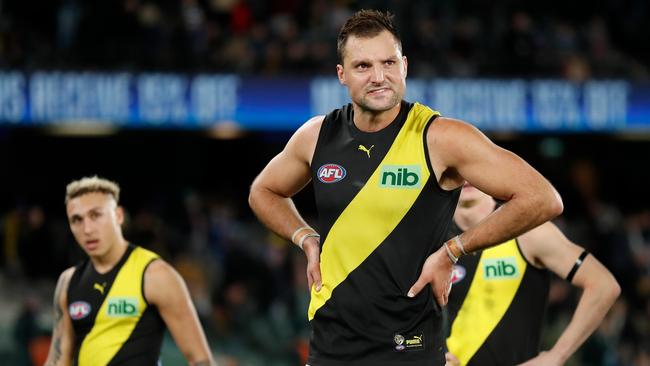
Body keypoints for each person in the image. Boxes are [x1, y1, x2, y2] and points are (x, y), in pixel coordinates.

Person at [248, 9, 563, 366]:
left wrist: (454, 250)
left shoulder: (441, 138)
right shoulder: (316, 136)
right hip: (330, 350)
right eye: (363, 66)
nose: (379, 77)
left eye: (389, 62)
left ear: (405, 67)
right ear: (341, 74)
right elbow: (263, 191)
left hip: (410, 352)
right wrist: (305, 238)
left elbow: (542, 198)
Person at [44, 176, 215, 366]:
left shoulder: (156, 275)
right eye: (77, 220)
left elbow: (200, 359)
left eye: (96, 215)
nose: (87, 229)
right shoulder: (68, 281)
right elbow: (58, 360)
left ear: (118, 215)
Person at [445, 184, 620, 366]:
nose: (466, 177)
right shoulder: (431, 238)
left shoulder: (527, 232)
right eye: (461, 162)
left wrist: (557, 355)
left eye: (475, 162)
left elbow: (604, 284)